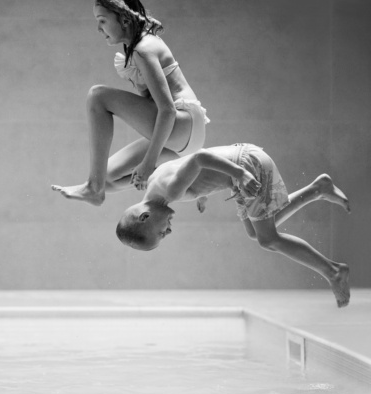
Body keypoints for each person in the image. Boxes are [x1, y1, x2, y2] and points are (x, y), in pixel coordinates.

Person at [116, 144, 351, 307]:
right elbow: (189, 166)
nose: (168, 230)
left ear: (145, 217)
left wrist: (240, 174)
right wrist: (201, 192)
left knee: (267, 238)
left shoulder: (171, 191)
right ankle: (317, 189)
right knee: (255, 232)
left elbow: (200, 157)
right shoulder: (156, 186)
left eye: (161, 233)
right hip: (242, 167)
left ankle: (334, 272)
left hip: (246, 167)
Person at [51, 0, 210, 206]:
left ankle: (93, 187)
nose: (98, 29)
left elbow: (167, 110)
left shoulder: (143, 49)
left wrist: (148, 162)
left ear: (124, 20)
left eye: (102, 21)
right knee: (107, 178)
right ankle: (191, 180)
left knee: (97, 95)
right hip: (184, 135)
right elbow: (150, 102)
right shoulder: (136, 47)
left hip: (181, 121)